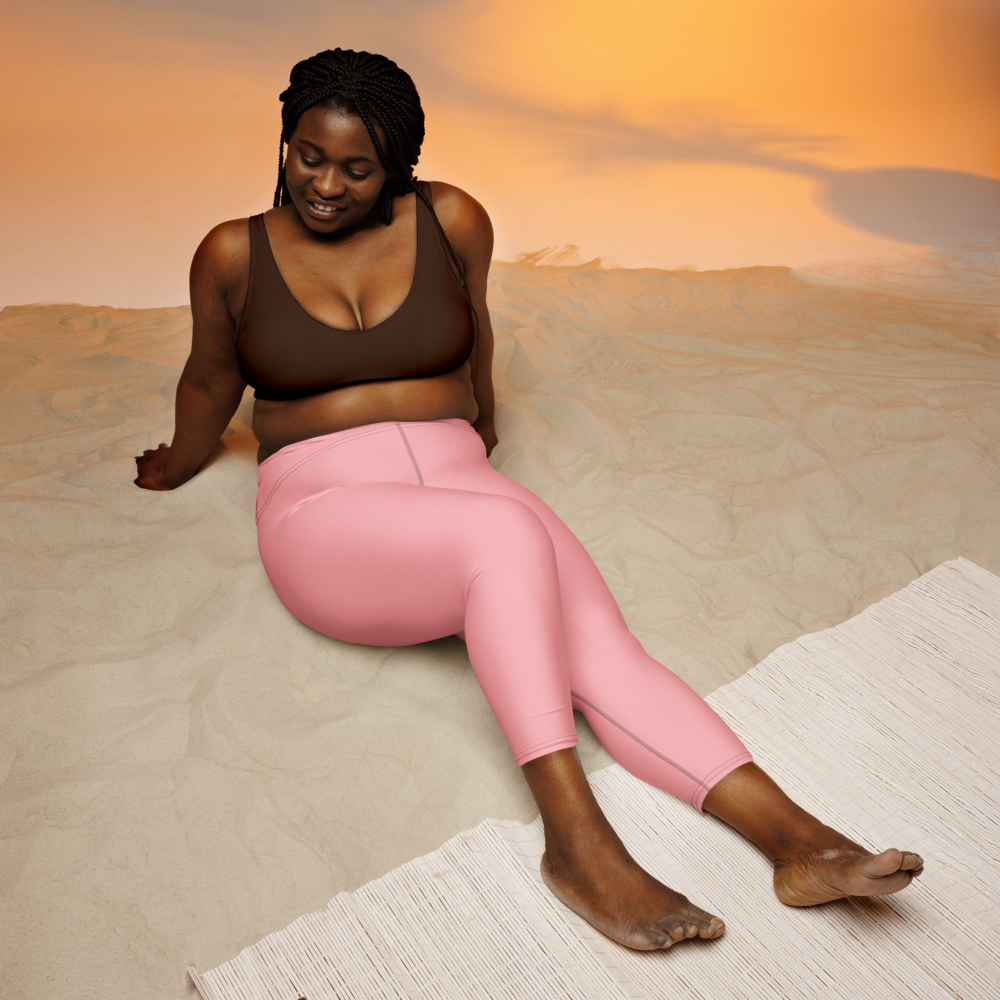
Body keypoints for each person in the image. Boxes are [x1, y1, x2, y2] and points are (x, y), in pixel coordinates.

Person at [135, 48, 923, 952]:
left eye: (358, 168)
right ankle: (577, 845)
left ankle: (799, 844)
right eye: (307, 156)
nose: (325, 185)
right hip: (327, 515)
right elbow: (208, 380)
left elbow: (479, 340)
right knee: (508, 532)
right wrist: (177, 460)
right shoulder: (234, 250)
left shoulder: (453, 219)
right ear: (284, 141)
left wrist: (482, 431)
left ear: (400, 166)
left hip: (461, 489)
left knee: (606, 653)